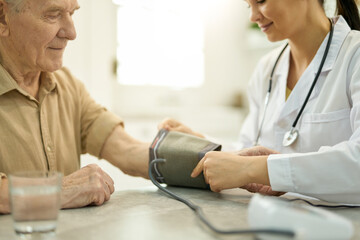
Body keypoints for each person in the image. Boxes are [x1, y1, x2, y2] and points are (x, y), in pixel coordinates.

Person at [159, 0, 360, 203]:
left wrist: (258, 168)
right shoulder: (267, 69)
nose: (253, 17)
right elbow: (247, 151)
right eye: (248, 6)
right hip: (272, 223)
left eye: (261, 1)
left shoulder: (355, 55)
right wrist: (201, 144)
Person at [0, 0, 149, 214]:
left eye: (72, 14)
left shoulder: (67, 85)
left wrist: (203, 158)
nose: (71, 33)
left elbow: (127, 150)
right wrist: (58, 191)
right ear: (3, 17)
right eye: (52, 15)